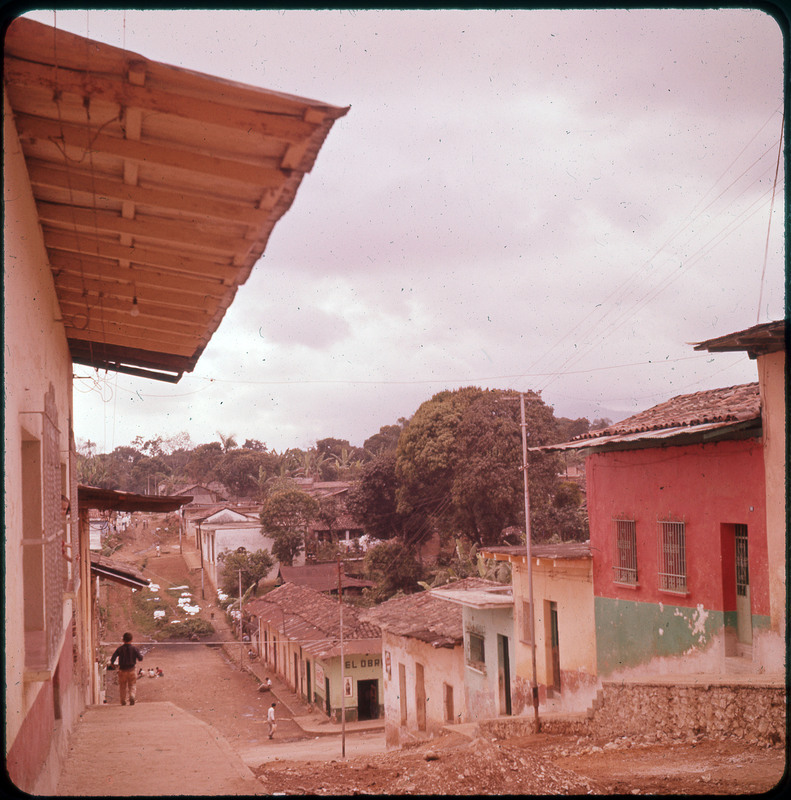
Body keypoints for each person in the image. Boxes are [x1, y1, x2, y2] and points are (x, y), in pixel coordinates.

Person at [110, 632, 143, 706]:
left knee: (122, 686)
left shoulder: (120, 649)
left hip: (122, 670)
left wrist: (112, 664)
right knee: (132, 685)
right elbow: (140, 658)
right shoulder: (134, 649)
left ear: (123, 640)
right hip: (132, 670)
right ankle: (132, 696)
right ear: (131, 640)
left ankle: (123, 700)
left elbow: (113, 657)